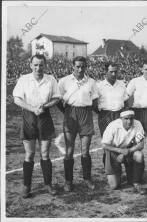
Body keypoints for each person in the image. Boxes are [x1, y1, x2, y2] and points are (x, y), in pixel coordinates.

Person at [13, 54, 60, 198]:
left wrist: (44, 106)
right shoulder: (24, 79)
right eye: (35, 65)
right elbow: (17, 99)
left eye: (41, 65)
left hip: (44, 117)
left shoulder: (50, 79)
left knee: (45, 153)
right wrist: (31, 108)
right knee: (30, 153)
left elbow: (57, 98)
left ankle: (48, 184)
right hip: (28, 117)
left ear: (45, 66)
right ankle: (27, 186)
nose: (38, 67)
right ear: (30, 65)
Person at [58, 56, 98, 191]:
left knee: (85, 151)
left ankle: (87, 179)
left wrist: (87, 111)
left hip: (86, 115)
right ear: (73, 67)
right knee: (69, 151)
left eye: (83, 67)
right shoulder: (64, 81)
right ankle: (68, 181)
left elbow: (95, 102)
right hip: (70, 115)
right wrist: (67, 112)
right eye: (78, 67)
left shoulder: (91, 82)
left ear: (86, 67)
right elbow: (58, 99)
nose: (80, 69)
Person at [101, 109, 147, 194]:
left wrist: (127, 151)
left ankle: (136, 182)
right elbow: (104, 145)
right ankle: (112, 169)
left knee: (139, 155)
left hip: (128, 150)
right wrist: (120, 150)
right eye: (126, 119)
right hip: (113, 150)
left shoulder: (138, 123)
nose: (129, 121)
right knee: (114, 186)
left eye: (131, 118)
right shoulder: (113, 125)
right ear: (121, 118)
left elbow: (140, 145)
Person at [96, 62, 129, 136]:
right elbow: (94, 104)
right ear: (106, 72)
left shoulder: (122, 84)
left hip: (119, 115)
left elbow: (126, 101)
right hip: (105, 115)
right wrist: (102, 113)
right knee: (107, 140)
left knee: (120, 139)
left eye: (115, 72)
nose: (114, 74)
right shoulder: (99, 86)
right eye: (111, 72)